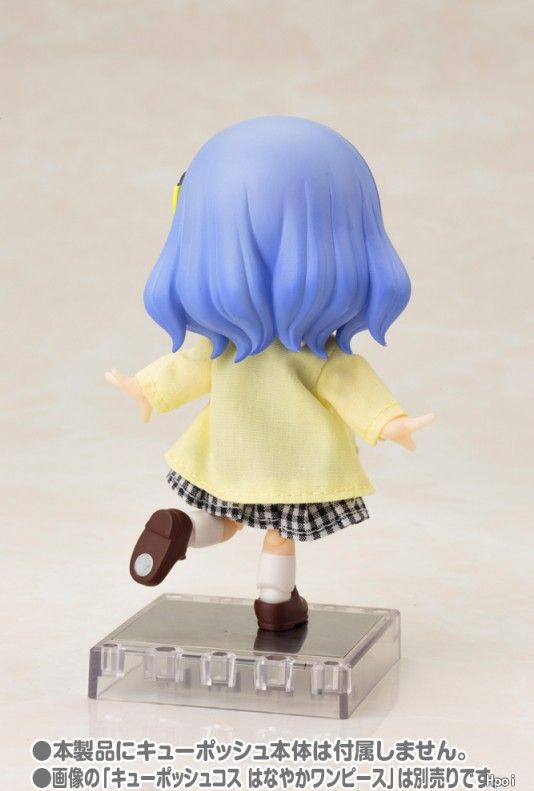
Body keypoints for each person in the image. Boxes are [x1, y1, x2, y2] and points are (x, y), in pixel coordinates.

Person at [106, 117, 433, 631]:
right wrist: (391, 423)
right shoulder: (317, 355)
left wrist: (145, 389)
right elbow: (351, 387)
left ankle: (184, 526)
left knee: (225, 518)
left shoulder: (224, 344)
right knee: (280, 534)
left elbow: (188, 368)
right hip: (296, 462)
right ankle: (275, 602)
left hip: (230, 451)